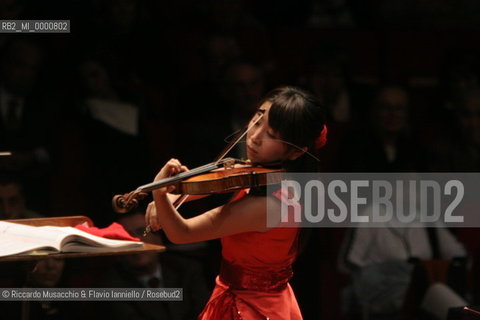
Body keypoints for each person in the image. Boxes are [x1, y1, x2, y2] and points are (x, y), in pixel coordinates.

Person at [145, 86, 327, 319]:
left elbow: (181, 233)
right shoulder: (271, 175)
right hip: (259, 297)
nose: (255, 135)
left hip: (250, 308)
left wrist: (159, 193)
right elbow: (219, 180)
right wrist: (171, 196)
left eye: (271, 134)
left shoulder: (267, 206)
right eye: (258, 120)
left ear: (295, 152)